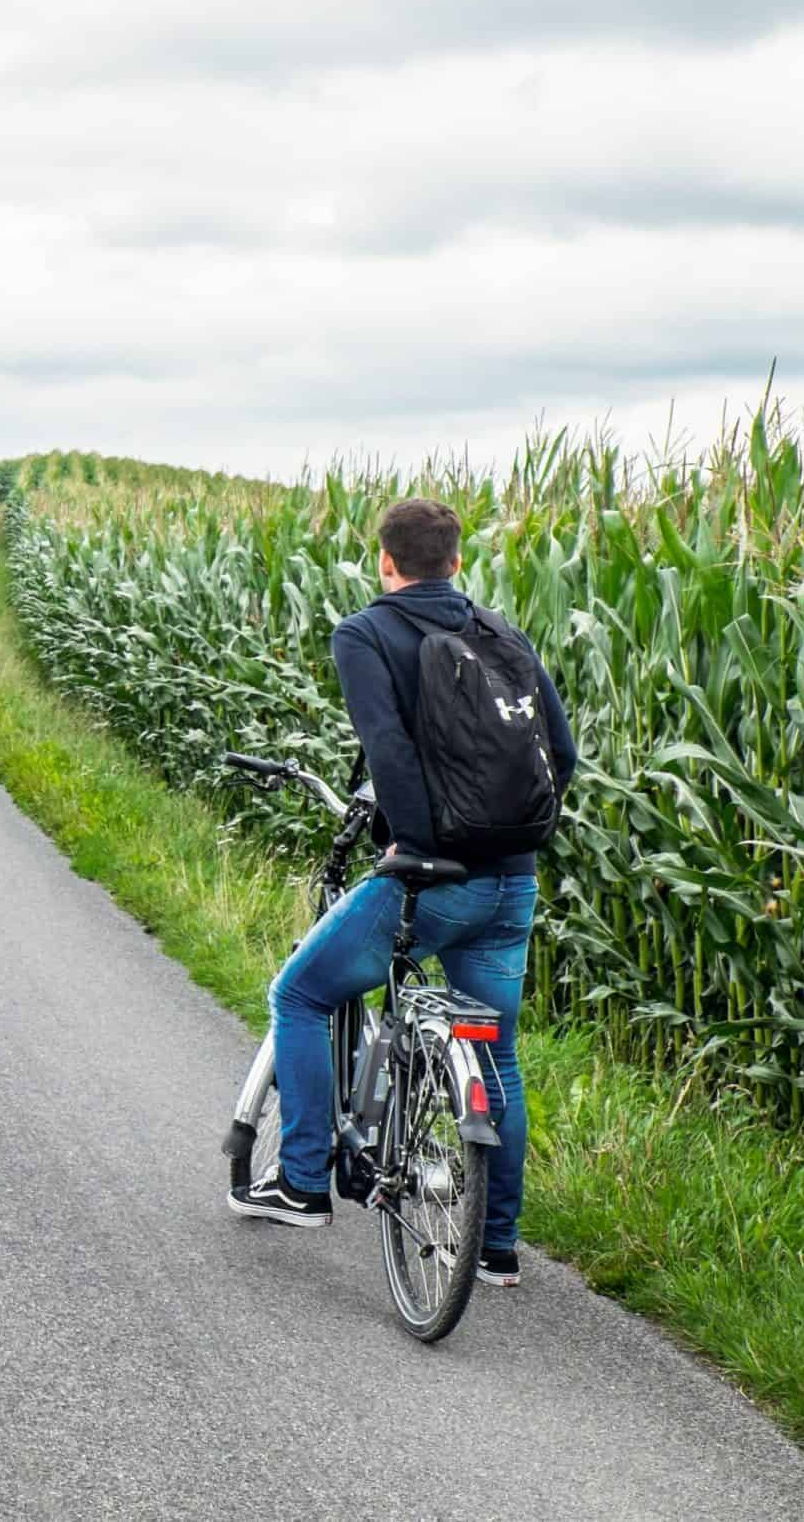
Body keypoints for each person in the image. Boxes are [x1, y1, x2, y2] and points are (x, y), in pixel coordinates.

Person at [227, 497, 577, 1289]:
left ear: (385, 562)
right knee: (496, 1053)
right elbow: (561, 751)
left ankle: (304, 1180)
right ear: (456, 561)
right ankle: (495, 1248)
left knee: (301, 993)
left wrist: (411, 843)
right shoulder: (504, 635)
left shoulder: (366, 633)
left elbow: (387, 748)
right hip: (513, 882)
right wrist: (514, 838)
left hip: (432, 883)